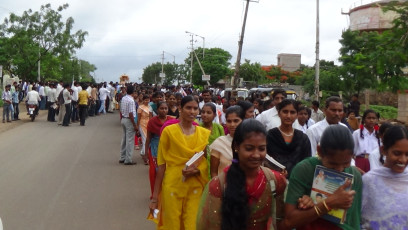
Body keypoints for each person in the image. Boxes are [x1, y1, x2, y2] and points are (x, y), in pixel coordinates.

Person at [197, 119, 287, 230]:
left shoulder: (275, 180)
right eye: (249, 149)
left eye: (261, 149)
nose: (256, 155)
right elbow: (211, 225)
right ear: (236, 147)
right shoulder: (220, 184)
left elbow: (281, 220)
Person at [280, 125, 362, 230]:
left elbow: (353, 221)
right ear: (319, 151)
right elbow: (287, 223)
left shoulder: (355, 175)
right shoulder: (305, 169)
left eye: (346, 163)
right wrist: (328, 203)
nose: (340, 169)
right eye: (332, 164)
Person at [149, 95, 210, 230]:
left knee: (192, 224)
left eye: (195, 108)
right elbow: (162, 165)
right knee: (172, 224)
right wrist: (154, 198)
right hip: (173, 185)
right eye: (188, 108)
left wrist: (198, 170)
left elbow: (206, 162)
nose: (192, 111)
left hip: (195, 184)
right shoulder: (169, 132)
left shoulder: (204, 134)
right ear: (180, 109)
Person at [361, 125, 408, 229]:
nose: (403, 160)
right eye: (397, 153)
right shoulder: (369, 181)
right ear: (383, 150)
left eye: (407, 154)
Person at [266, 99, 311, 177]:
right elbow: (265, 161)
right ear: (279, 113)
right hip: (274, 180)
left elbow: (307, 163)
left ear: (297, 115)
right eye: (285, 112)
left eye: (292, 112)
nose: (288, 116)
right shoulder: (270, 136)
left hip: (297, 182)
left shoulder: (303, 138)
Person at [145, 101, 174, 195]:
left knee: (167, 171)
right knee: (156, 172)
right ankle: (156, 193)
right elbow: (148, 138)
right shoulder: (152, 121)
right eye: (161, 108)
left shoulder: (171, 121)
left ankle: (166, 192)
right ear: (157, 110)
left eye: (166, 108)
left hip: (168, 148)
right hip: (155, 148)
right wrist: (146, 153)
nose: (164, 110)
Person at [210, 106, 244, 177]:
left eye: (236, 121)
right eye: (229, 121)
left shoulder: (250, 141)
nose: (232, 125)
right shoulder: (219, 143)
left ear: (243, 120)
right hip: (224, 185)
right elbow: (214, 172)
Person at [200, 103, 225, 178]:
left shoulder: (218, 128)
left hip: (216, 162)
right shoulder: (197, 128)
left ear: (214, 115)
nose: (205, 115)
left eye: (208, 113)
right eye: (203, 112)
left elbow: (223, 145)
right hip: (202, 162)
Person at [119, 85, 137, 165]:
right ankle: (128, 159)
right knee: (130, 140)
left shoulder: (124, 98)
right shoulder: (131, 100)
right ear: (133, 92)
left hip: (123, 119)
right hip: (129, 120)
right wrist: (135, 125)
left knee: (124, 139)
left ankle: (122, 157)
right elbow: (131, 114)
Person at [137, 94, 151, 165]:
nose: (147, 101)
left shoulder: (150, 107)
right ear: (143, 100)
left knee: (148, 139)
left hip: (148, 124)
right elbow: (138, 117)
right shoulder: (140, 107)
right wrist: (137, 126)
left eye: (148, 100)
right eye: (145, 100)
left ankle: (143, 152)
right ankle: (145, 154)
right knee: (144, 139)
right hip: (142, 124)